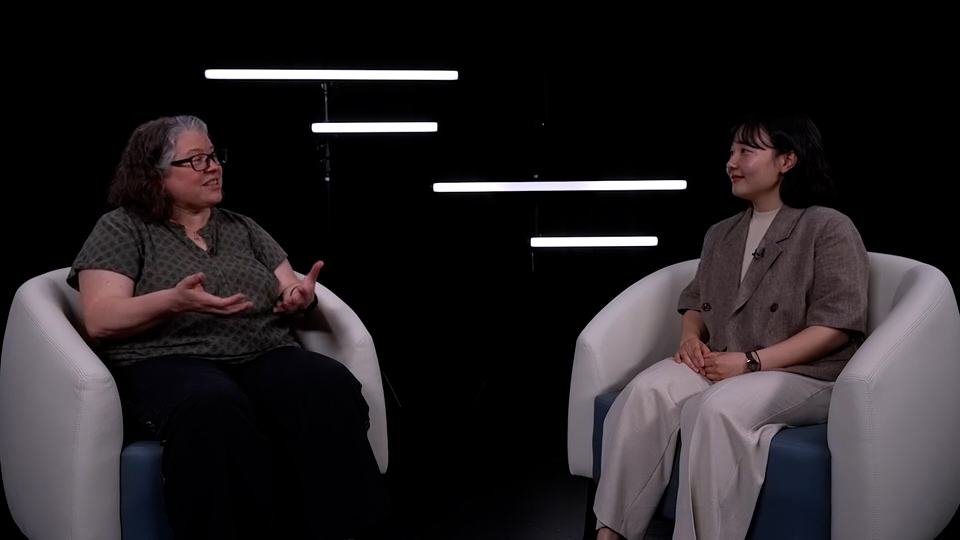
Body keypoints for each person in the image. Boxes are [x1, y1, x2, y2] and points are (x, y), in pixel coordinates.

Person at [68, 115, 386, 540]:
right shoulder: (122, 227)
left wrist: (298, 297)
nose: (214, 167)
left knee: (326, 386)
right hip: (167, 360)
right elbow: (100, 318)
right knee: (213, 407)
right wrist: (173, 301)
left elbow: (288, 283)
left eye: (214, 156)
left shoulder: (243, 227)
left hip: (261, 352)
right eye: (196, 160)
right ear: (155, 175)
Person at [593, 113, 869, 540]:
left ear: (787, 160)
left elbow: (836, 325)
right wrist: (689, 340)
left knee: (715, 409)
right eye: (731, 152)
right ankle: (609, 532)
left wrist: (752, 362)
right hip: (725, 361)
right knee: (645, 393)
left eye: (746, 151)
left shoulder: (828, 227)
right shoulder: (721, 234)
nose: (732, 161)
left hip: (804, 375)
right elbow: (695, 303)